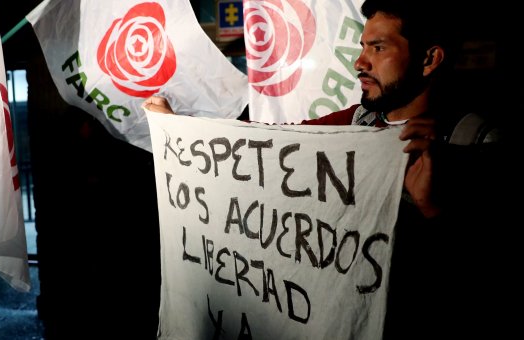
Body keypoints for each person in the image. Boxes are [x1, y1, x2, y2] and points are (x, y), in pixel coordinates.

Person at [144, 0, 513, 338]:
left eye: (379, 48)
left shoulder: (478, 143)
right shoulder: (350, 126)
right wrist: (176, 129)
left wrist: (436, 210)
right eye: (363, 47)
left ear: (429, 58)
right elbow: (263, 147)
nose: (360, 62)